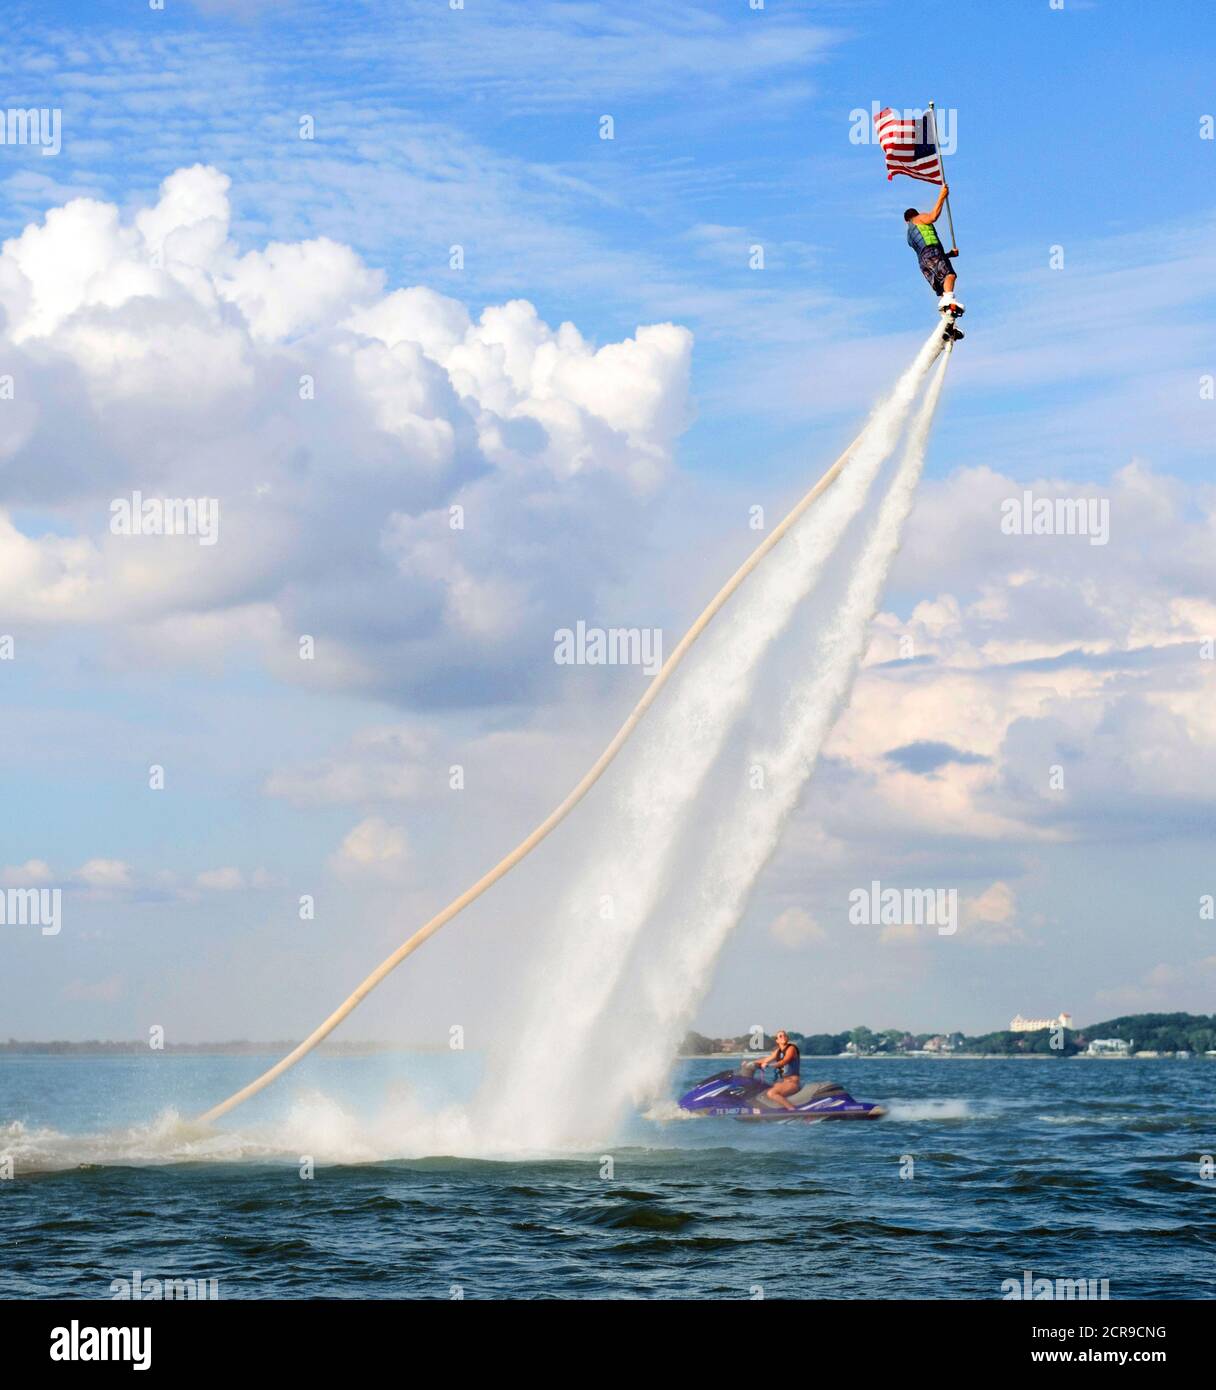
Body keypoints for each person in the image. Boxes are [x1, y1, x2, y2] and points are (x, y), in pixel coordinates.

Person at [904, 183, 963, 317]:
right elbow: (933, 216)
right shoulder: (918, 218)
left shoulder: (909, 236)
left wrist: (949, 255)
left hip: (923, 263)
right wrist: (942, 195)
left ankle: (946, 317)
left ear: (905, 221)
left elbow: (928, 257)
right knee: (950, 275)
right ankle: (949, 300)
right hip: (933, 252)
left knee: (941, 288)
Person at [756, 1029, 802, 1111]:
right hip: (784, 1082)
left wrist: (769, 1065)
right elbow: (766, 1059)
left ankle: (792, 1110)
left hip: (792, 1083)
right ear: (777, 1041)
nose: (783, 1037)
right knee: (761, 1091)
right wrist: (751, 1063)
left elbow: (785, 1061)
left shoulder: (791, 1048)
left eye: (784, 1035)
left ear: (787, 1038)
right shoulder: (778, 1051)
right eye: (780, 1036)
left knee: (771, 1093)